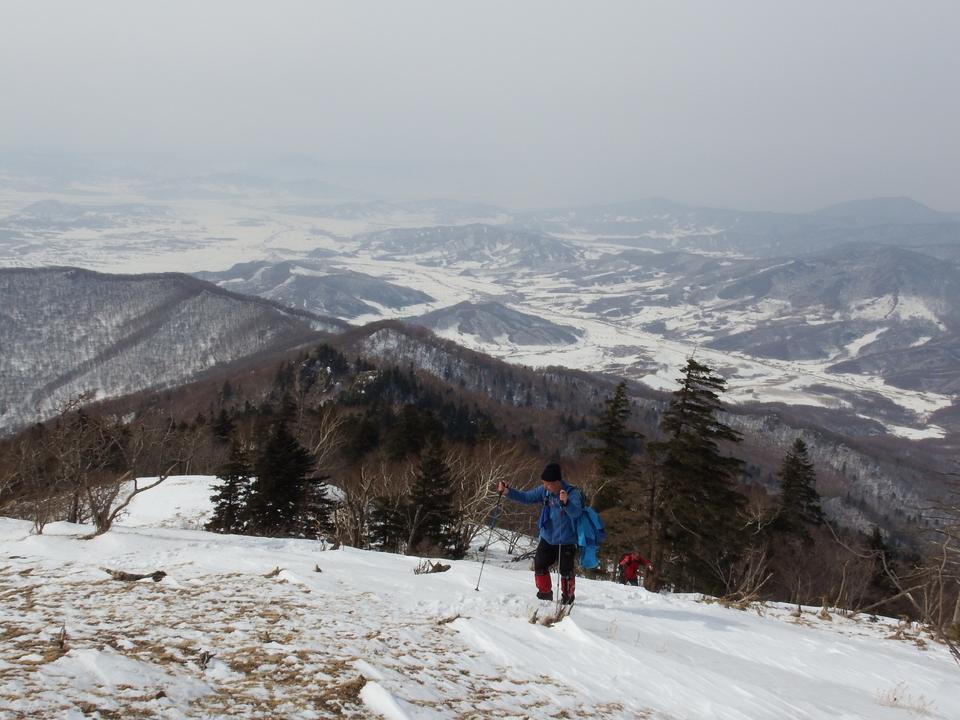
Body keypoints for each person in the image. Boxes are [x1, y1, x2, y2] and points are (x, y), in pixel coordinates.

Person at [498, 462, 582, 604]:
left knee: (566, 572)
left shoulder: (571, 493)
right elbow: (526, 497)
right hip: (547, 537)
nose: (544, 486)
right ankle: (544, 595)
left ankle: (568, 599)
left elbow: (576, 512)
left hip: (566, 540)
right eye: (543, 483)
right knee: (540, 566)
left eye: (547, 484)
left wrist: (566, 503)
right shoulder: (545, 492)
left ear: (557, 482)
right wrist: (507, 491)